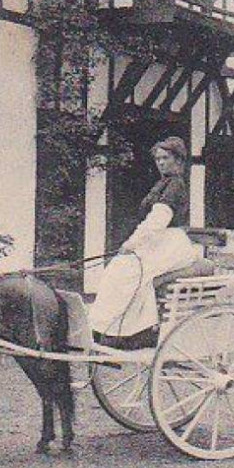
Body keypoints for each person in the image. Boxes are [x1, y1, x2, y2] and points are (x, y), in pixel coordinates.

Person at [90, 136, 202, 350]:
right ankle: (110, 329)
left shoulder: (175, 185)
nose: (160, 162)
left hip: (171, 243)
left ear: (178, 160)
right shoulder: (163, 183)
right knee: (118, 269)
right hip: (158, 241)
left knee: (130, 271)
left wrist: (132, 243)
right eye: (158, 159)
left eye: (165, 158)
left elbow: (157, 221)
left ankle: (135, 332)